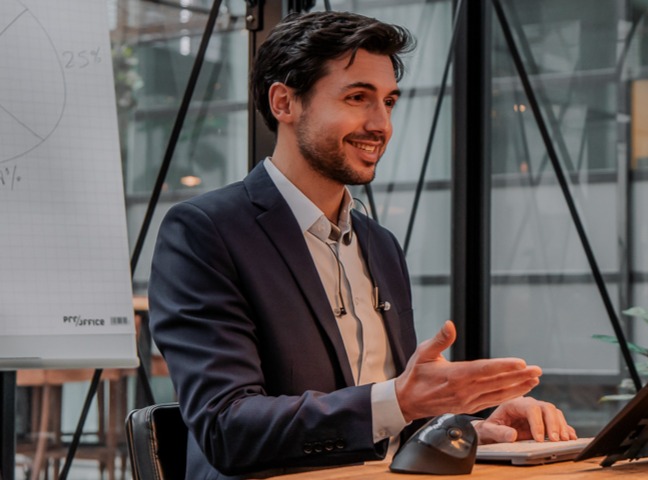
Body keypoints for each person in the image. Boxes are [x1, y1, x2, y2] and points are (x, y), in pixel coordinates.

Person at [149, 10, 576, 479]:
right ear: (284, 103)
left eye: (389, 102)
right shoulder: (205, 232)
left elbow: (387, 421)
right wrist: (401, 399)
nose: (381, 125)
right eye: (358, 98)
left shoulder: (380, 244)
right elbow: (227, 427)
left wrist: (467, 427)